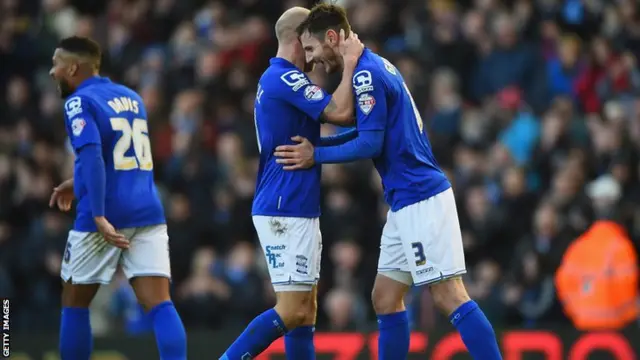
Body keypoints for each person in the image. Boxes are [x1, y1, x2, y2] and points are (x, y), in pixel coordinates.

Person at [274, 4, 503, 360]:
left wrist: (315, 155)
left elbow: (370, 142)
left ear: (332, 38)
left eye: (311, 49)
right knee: (384, 296)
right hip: (403, 202)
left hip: (420, 198)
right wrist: (317, 145)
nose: (311, 59)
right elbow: (364, 130)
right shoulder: (376, 65)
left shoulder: (365, 75)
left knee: (449, 295)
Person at [219, 7, 363, 360]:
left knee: (306, 312)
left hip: (296, 203)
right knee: (293, 309)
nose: (314, 55)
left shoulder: (282, 79)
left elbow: (317, 137)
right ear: (301, 39)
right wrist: (352, 63)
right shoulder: (284, 78)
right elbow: (342, 113)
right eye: (311, 42)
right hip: (285, 206)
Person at [48, 36, 187, 360]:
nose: (53, 72)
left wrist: (97, 213)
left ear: (72, 67)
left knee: (74, 303)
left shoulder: (78, 102)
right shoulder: (131, 97)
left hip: (106, 213)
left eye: (56, 64)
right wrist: (77, 181)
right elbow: (120, 158)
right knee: (160, 304)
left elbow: (94, 155)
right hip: (148, 210)